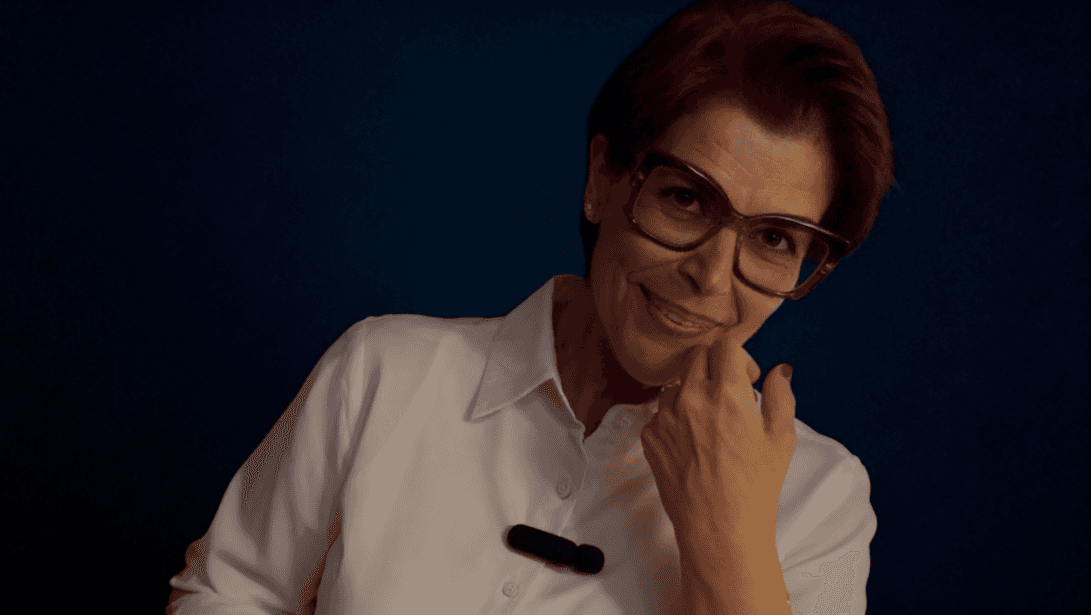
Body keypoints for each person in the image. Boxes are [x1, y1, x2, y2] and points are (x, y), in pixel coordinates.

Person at [168, 0, 895, 613]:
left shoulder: (821, 498)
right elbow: (227, 590)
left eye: (773, 238)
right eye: (685, 197)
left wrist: (729, 541)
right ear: (602, 179)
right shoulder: (383, 374)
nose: (710, 273)